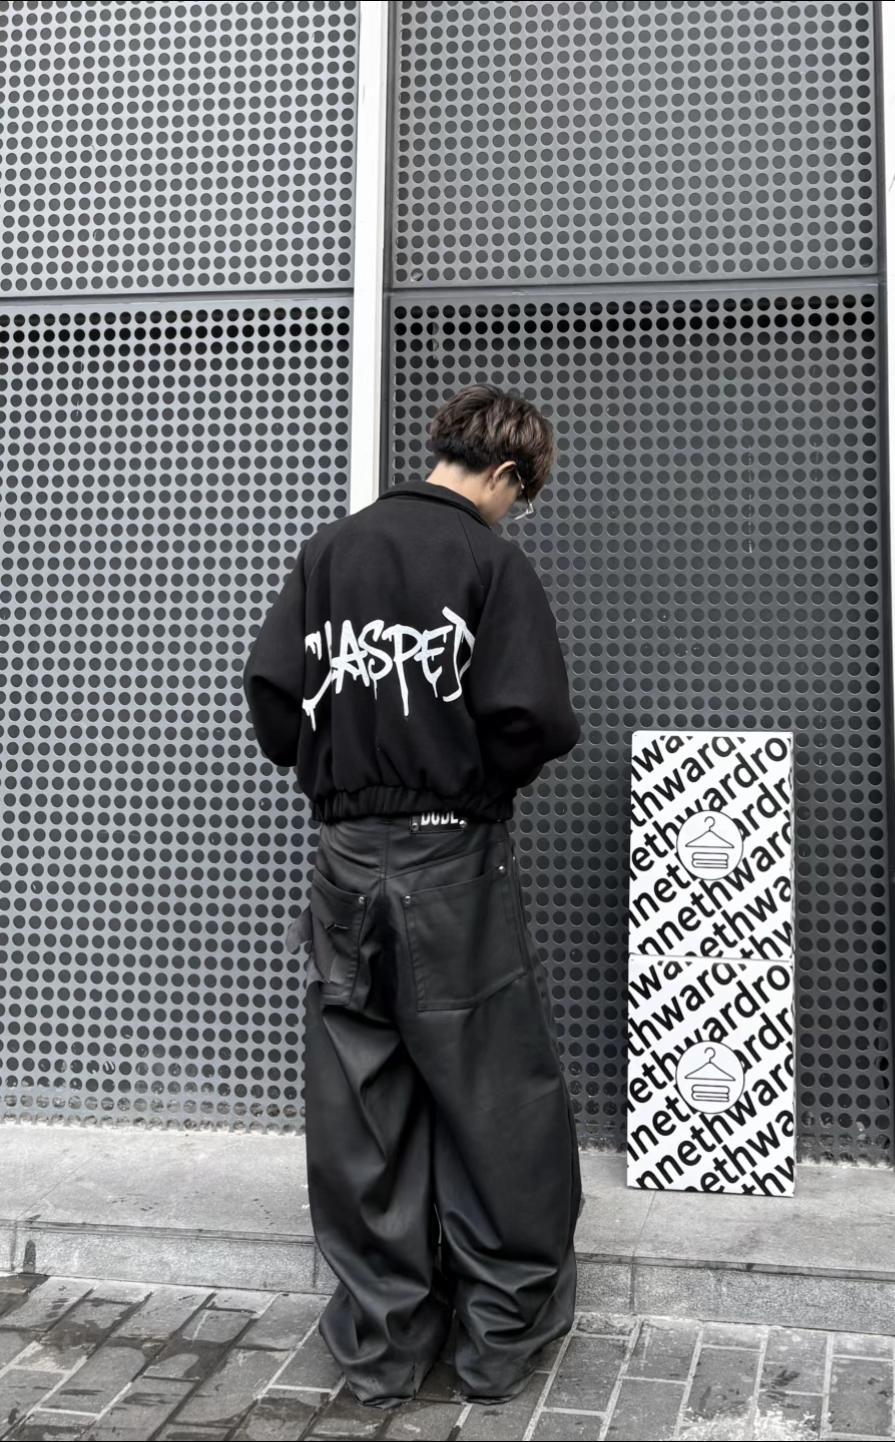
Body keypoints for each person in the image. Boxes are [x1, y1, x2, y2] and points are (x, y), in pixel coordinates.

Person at [241, 384, 584, 1409]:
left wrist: (344, 777)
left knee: (361, 1096)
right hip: (451, 860)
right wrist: (470, 785)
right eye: (520, 495)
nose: (515, 512)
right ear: (506, 473)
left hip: (345, 858)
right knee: (493, 1088)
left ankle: (382, 1348)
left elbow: (273, 696)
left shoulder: (330, 551)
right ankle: (498, 1337)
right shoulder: (490, 561)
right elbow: (531, 717)